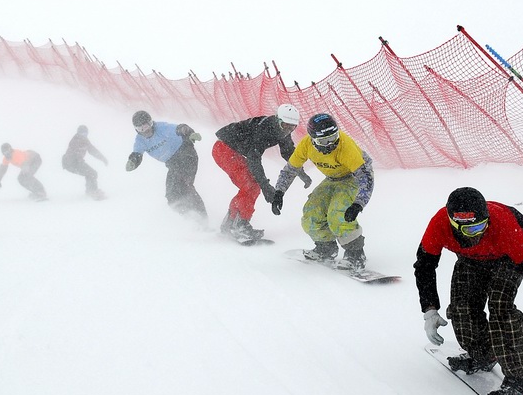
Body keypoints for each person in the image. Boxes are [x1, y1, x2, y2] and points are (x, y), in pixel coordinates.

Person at [414, 186, 523, 395]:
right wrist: (429, 310)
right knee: (462, 307)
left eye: (481, 226)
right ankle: (483, 354)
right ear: (454, 225)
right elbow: (424, 265)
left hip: (506, 255)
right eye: (471, 229)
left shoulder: (504, 227)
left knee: (500, 307)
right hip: (471, 258)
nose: (478, 233)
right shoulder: (439, 224)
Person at [270, 113, 373, 270]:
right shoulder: (306, 145)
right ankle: (326, 249)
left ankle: (356, 255)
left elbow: (365, 177)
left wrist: (358, 204)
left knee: (339, 214)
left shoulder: (345, 146)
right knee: (311, 213)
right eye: (324, 141)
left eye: (333, 138)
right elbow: (290, 170)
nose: (330, 144)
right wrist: (279, 192)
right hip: (333, 178)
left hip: (353, 178)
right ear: (313, 139)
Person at [212, 104, 313, 242]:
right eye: (285, 125)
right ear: (277, 120)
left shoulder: (283, 131)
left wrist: (301, 174)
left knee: (250, 186)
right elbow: (254, 159)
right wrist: (265, 186)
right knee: (251, 186)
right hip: (224, 150)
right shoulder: (264, 129)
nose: (287, 130)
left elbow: (288, 153)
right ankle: (240, 226)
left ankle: (230, 223)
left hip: (232, 151)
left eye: (292, 127)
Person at [125, 110, 208, 222]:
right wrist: (133, 161)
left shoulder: (161, 128)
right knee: (171, 196)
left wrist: (190, 133)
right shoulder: (140, 140)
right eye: (141, 129)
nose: (145, 131)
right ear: (136, 129)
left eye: (146, 126)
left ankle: (203, 219)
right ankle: (191, 218)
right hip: (173, 163)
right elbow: (137, 153)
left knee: (185, 185)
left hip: (186, 154)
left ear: (151, 123)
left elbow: (181, 128)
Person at [62, 124, 108, 199]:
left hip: (76, 163)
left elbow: (93, 150)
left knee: (91, 173)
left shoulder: (85, 141)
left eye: (85, 134)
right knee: (92, 173)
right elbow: (73, 152)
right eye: (82, 134)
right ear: (78, 133)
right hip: (71, 163)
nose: (83, 135)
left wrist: (103, 158)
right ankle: (93, 191)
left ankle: (90, 191)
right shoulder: (75, 140)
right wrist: (78, 161)